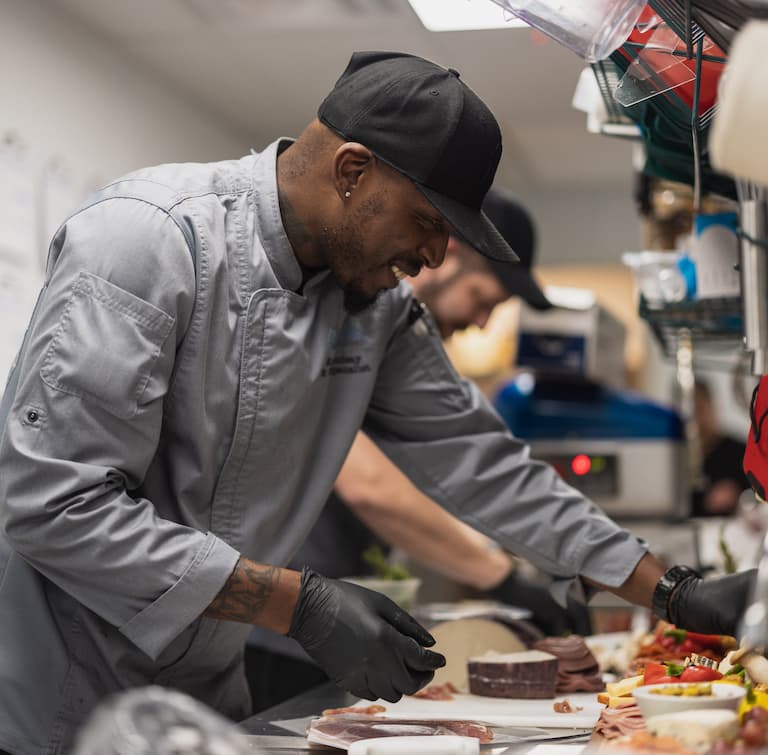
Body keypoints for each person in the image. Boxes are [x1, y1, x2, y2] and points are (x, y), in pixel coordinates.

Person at [0, 50, 755, 755]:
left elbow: (483, 460)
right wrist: (299, 603)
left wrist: (671, 589)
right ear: (353, 170)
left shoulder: (374, 308)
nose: (434, 256)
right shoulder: (147, 242)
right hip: (60, 694)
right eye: (429, 223)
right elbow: (50, 503)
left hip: (206, 695)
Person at [244, 188, 593, 711]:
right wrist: (503, 579)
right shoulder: (345, 329)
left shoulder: (392, 358)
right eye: (484, 299)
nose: (481, 322)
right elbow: (370, 485)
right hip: (275, 624)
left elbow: (452, 470)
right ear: (448, 255)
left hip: (331, 620)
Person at [690, 378, 750, 517]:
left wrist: (738, 495)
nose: (696, 419)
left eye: (700, 409)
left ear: (712, 407)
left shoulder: (740, 452)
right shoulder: (676, 459)